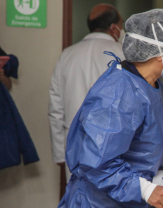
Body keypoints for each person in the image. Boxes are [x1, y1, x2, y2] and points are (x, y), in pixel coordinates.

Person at [42, 9, 163, 208]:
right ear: (159, 51)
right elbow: (97, 162)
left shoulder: (152, 86)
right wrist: (147, 189)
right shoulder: (118, 92)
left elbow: (147, 134)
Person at [48, 3, 125, 182]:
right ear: (114, 27)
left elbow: (55, 108)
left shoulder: (67, 55)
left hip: (75, 143)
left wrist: (59, 153)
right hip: (114, 143)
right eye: (122, 25)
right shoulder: (122, 55)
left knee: (78, 200)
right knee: (111, 199)